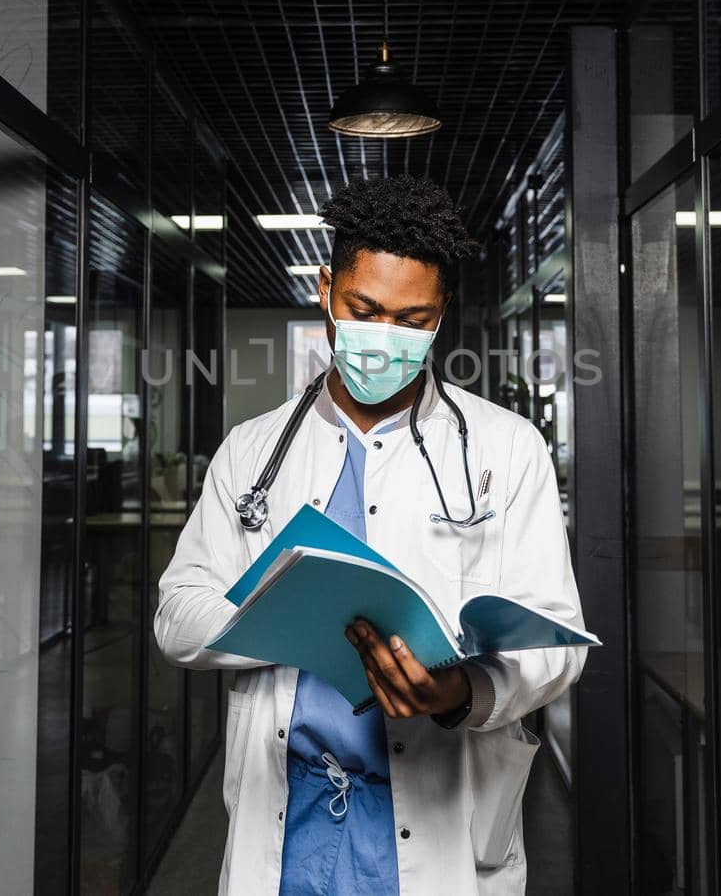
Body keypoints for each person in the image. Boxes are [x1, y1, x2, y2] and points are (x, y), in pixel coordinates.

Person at [153, 174, 588, 895]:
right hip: (288, 820)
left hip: (440, 821)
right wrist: (280, 617)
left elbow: (555, 645)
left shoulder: (507, 449)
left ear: (442, 312)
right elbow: (176, 617)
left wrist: (458, 691)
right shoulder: (251, 450)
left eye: (413, 319)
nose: (385, 337)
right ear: (327, 289)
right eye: (365, 308)